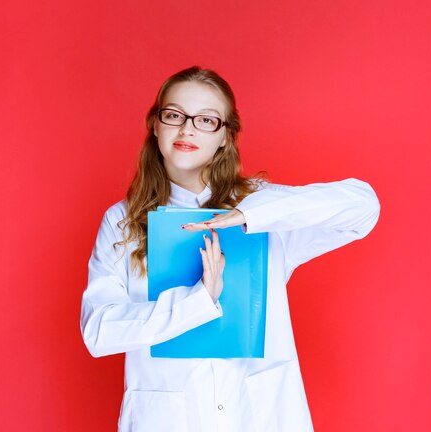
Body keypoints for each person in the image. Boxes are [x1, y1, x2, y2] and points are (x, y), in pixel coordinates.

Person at [80, 66, 380, 432]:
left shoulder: (262, 208)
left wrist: (248, 213)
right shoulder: (122, 221)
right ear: (156, 125)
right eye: (174, 115)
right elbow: (99, 332)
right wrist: (196, 302)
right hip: (168, 418)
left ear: (226, 136)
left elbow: (363, 207)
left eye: (206, 120)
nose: (187, 129)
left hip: (257, 413)